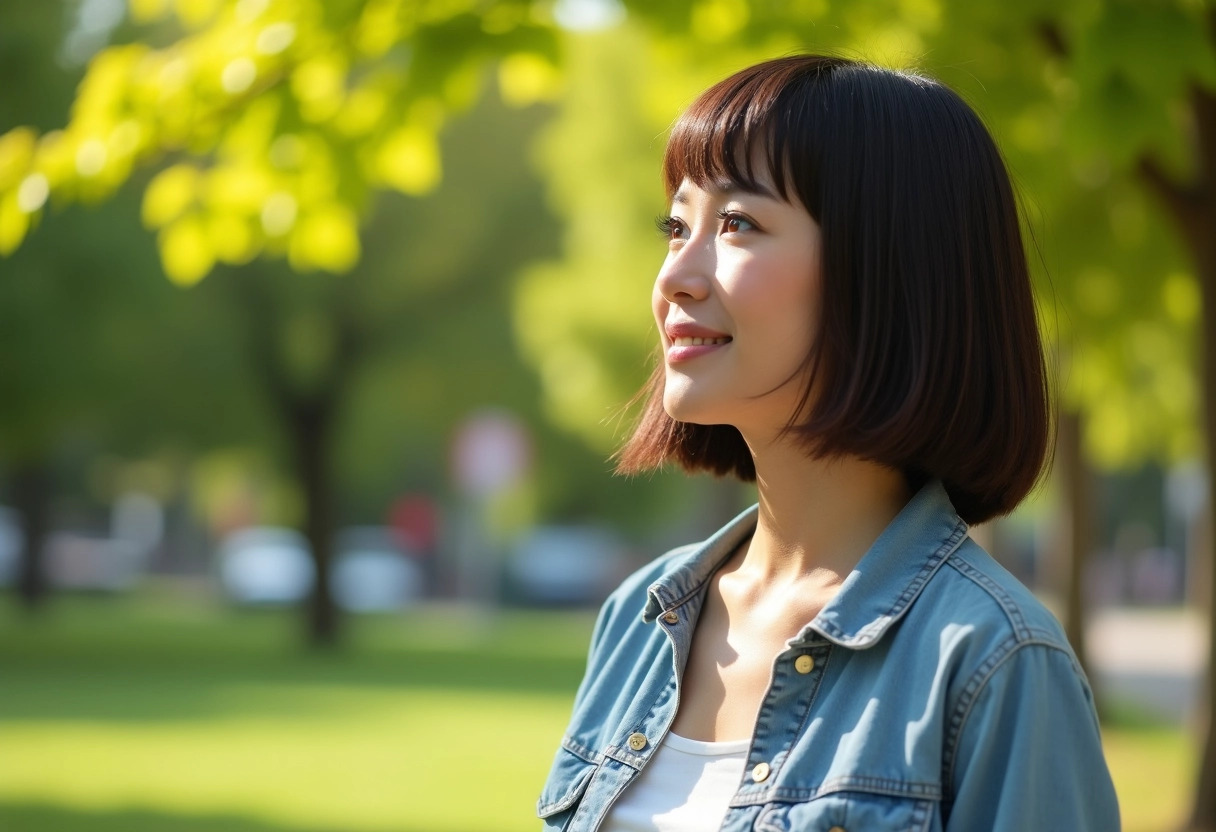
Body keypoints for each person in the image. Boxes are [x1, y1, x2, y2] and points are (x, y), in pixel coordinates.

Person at [537, 55, 1120, 832]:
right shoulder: (639, 621)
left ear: (887, 270)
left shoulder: (993, 663)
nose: (676, 273)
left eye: (737, 223)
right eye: (676, 226)